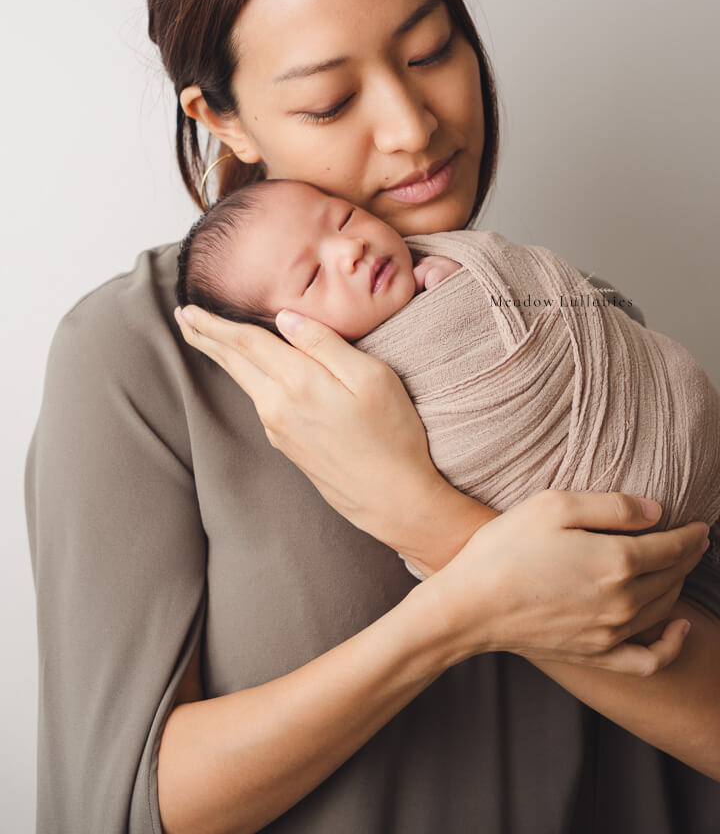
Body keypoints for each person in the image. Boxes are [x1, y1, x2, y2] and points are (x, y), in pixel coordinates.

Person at [25, 0, 720, 834]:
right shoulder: (136, 363)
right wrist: (463, 608)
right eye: (329, 100)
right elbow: (124, 804)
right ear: (224, 120)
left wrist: (430, 520)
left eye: (433, 50)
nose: (413, 126)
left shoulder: (566, 326)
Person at [174, 176, 720, 580]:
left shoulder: (448, 254)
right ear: (287, 340)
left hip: (679, 416)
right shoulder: (339, 397)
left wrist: (468, 283)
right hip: (626, 524)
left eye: (342, 218)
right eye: (313, 276)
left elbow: (585, 301)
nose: (350, 248)